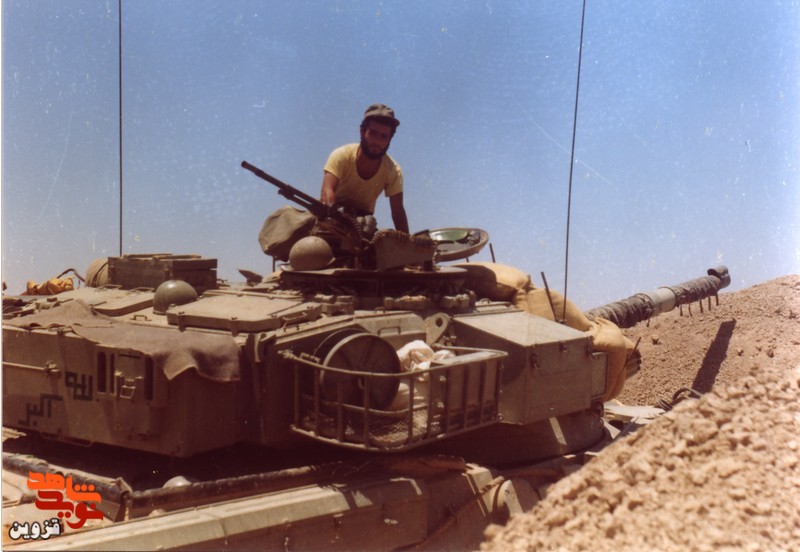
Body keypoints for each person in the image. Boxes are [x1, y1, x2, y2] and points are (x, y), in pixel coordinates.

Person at [320, 104, 409, 233]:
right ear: (362, 131)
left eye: (384, 136)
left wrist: (406, 242)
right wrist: (337, 216)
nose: (377, 141)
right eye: (373, 133)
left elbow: (398, 213)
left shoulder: (393, 170)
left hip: (363, 225)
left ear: (390, 139)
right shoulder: (342, 155)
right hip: (332, 218)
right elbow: (327, 192)